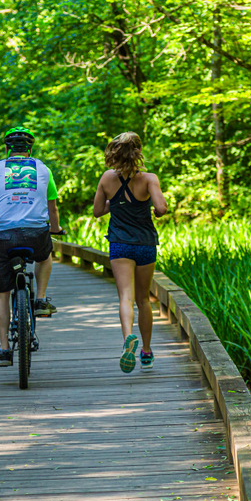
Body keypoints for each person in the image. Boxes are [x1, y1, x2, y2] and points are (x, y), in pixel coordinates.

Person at [0, 127, 63, 367]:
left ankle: (4, 350)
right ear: (30, 149)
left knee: (1, 293)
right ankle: (41, 299)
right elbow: (52, 208)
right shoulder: (43, 169)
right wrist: (54, 229)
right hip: (36, 233)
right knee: (45, 256)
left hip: (2, 236)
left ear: (7, 150)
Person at [92, 131, 168, 373]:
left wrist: (114, 202)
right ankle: (146, 351)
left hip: (120, 244)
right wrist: (154, 210)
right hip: (145, 244)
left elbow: (97, 211)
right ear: (137, 152)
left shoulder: (106, 178)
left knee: (125, 297)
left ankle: (128, 338)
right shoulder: (149, 179)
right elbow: (161, 208)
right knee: (144, 300)